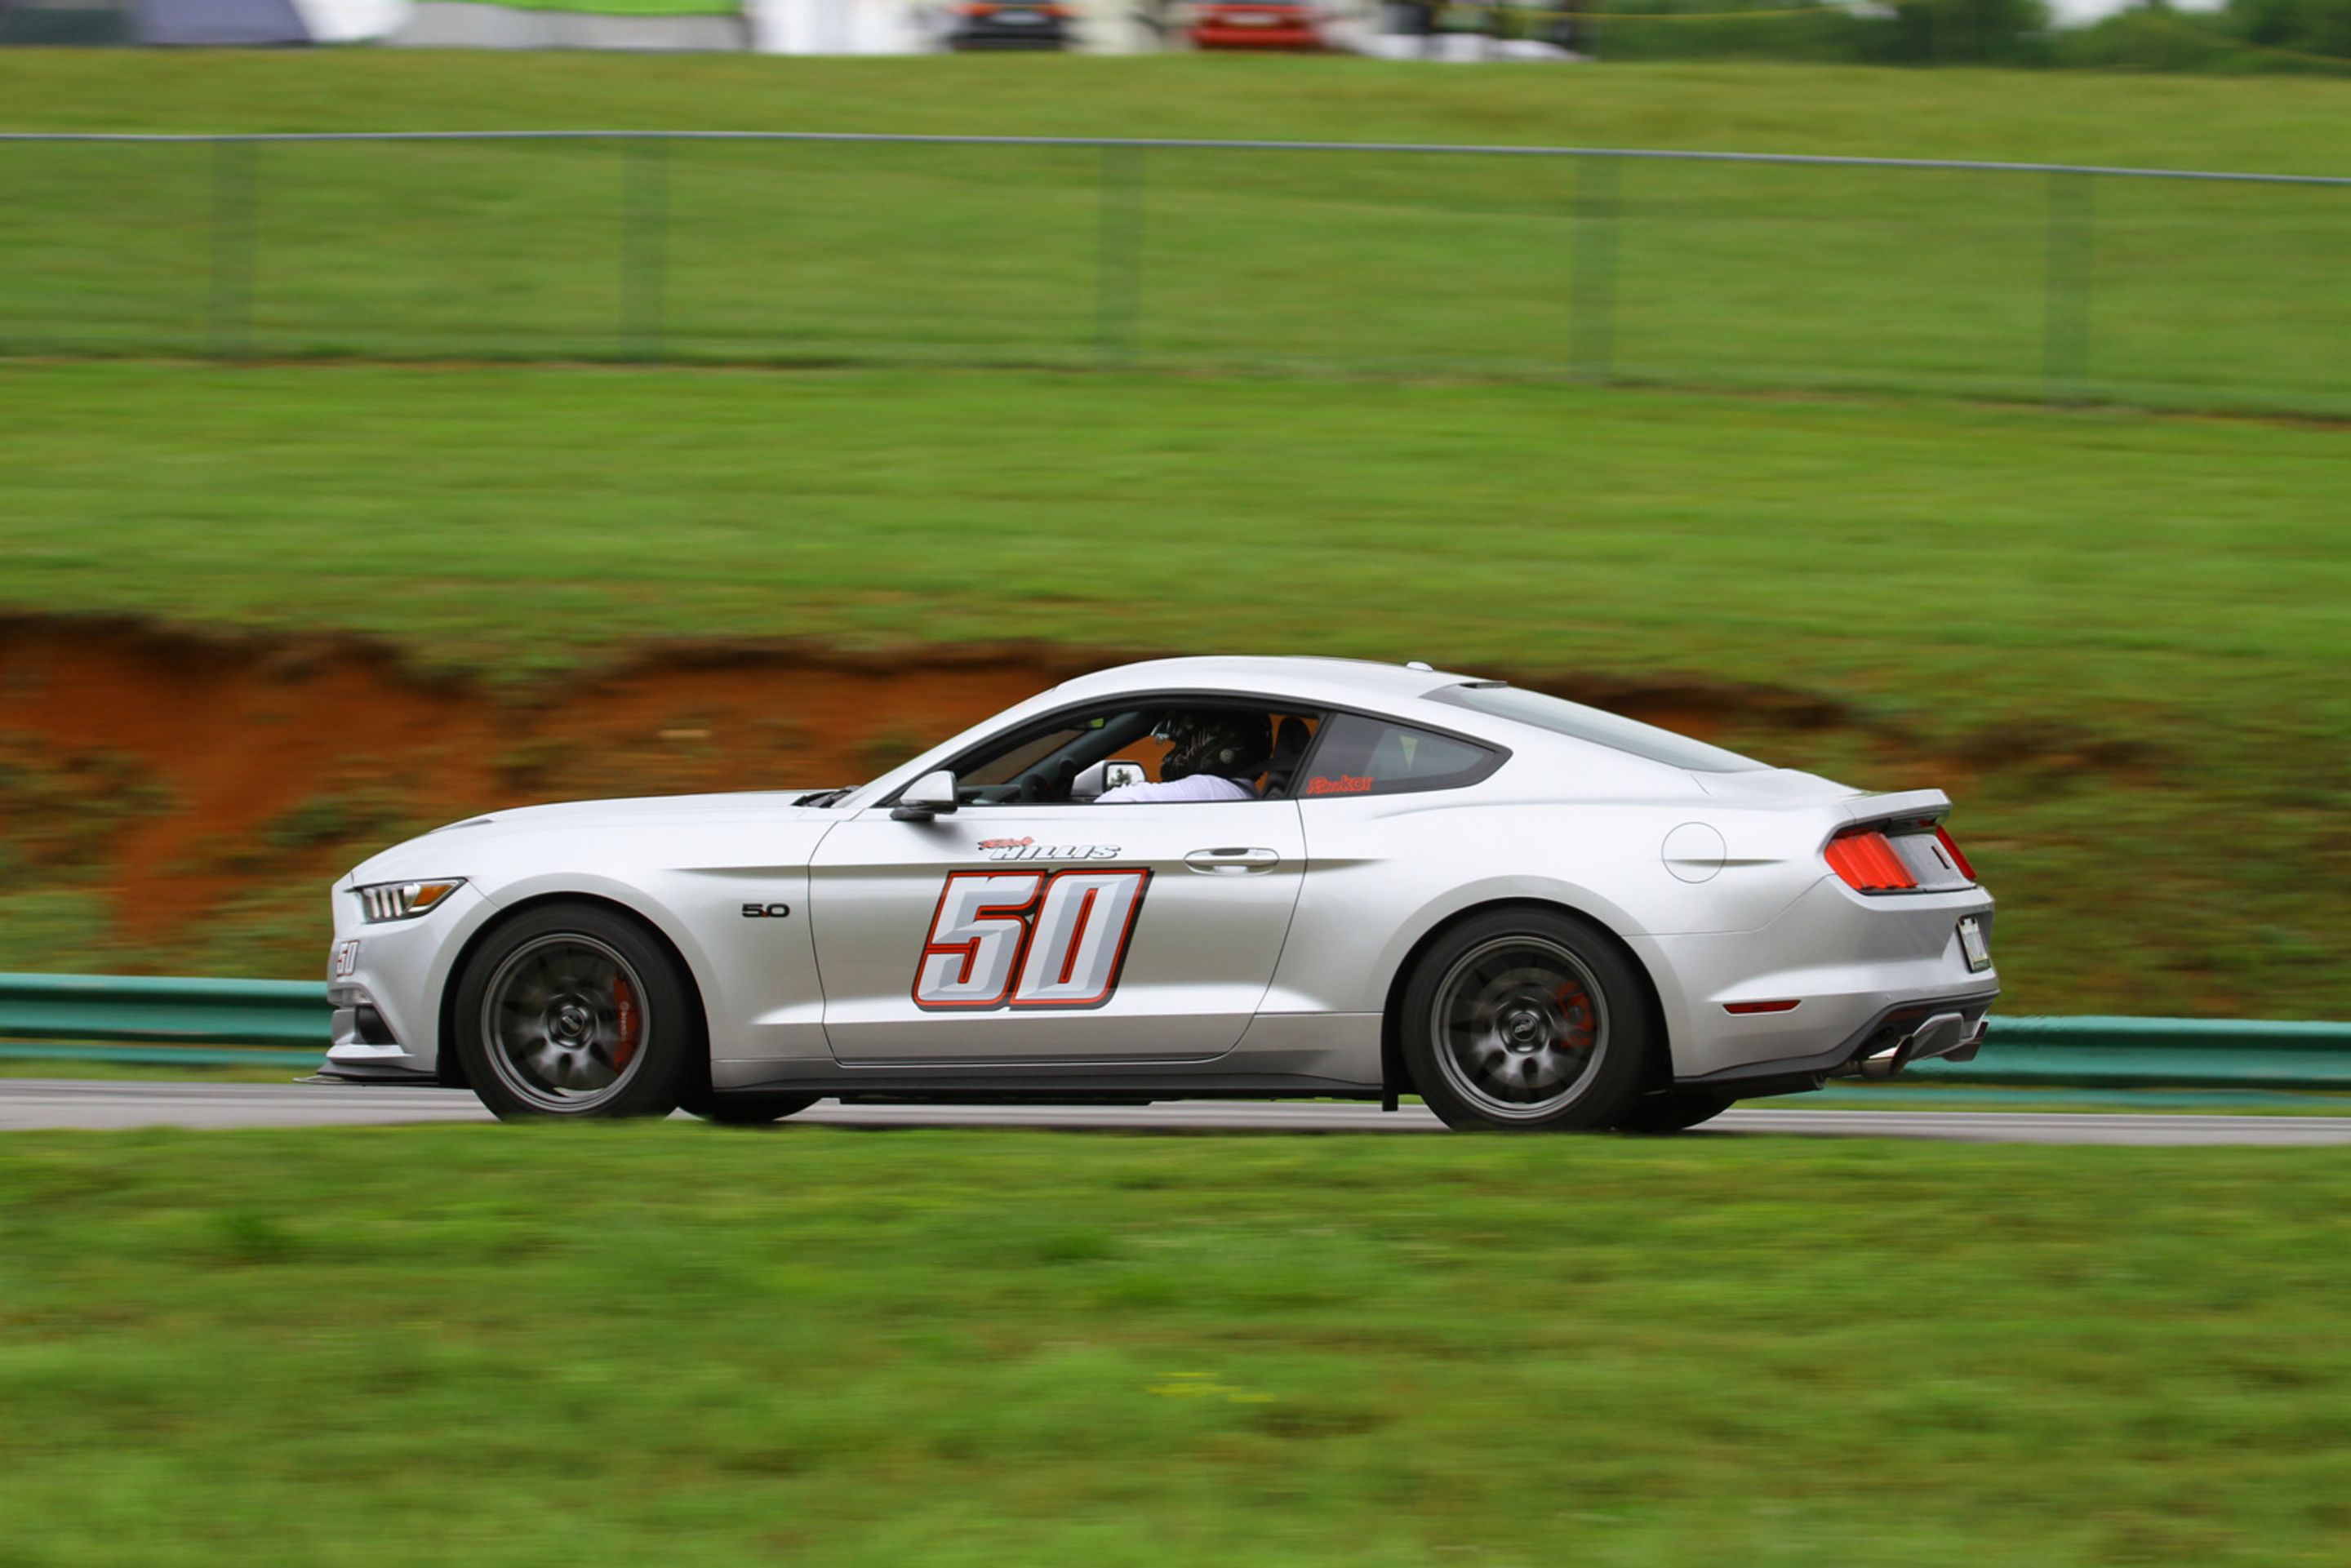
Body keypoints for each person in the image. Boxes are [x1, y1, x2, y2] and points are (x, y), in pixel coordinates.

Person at [1096, 711, 1272, 804]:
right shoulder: (1241, 792)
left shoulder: (1210, 789)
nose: (1176, 750)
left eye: (1183, 742)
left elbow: (1117, 801)